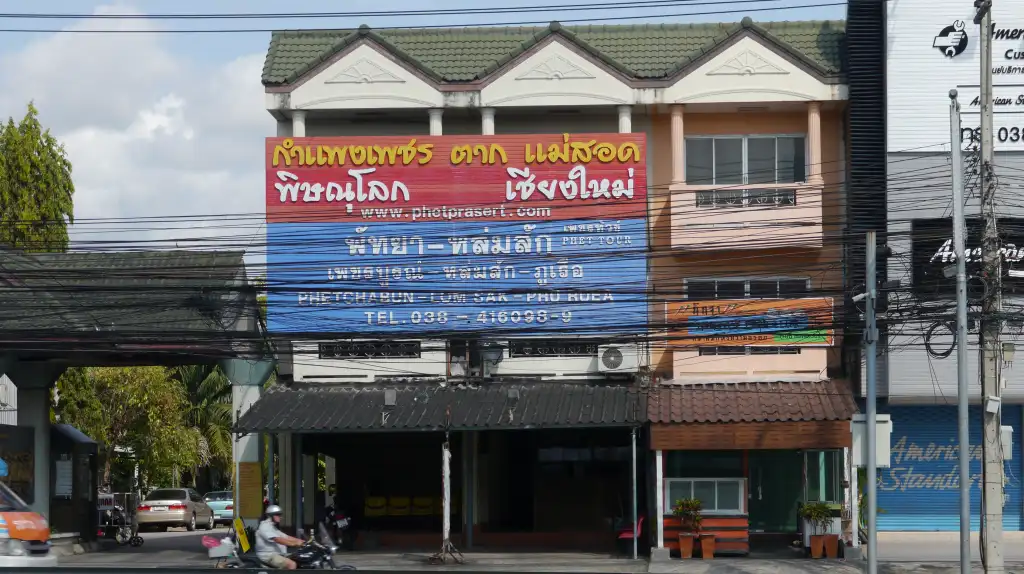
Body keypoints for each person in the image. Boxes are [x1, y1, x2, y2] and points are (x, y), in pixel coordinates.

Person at [255, 505, 305, 570]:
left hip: (276, 553)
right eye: (278, 515)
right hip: (268, 555)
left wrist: (302, 541)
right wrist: (294, 544)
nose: (280, 517)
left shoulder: (272, 527)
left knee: (298, 557)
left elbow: (286, 537)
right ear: (272, 515)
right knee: (292, 564)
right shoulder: (265, 526)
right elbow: (277, 539)